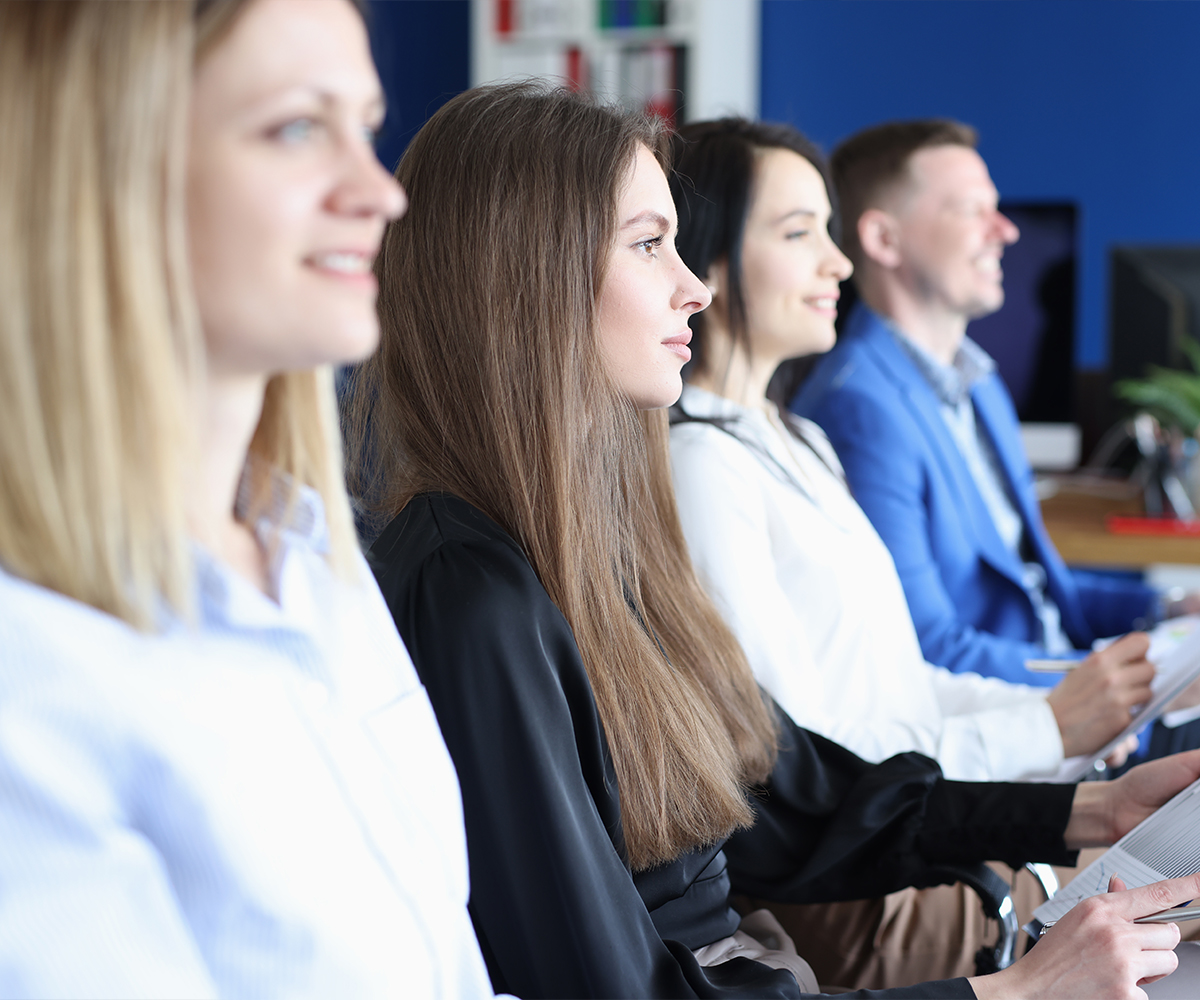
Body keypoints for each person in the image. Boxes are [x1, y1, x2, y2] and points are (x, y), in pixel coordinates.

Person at [346, 82, 1200, 1000]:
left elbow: (792, 795)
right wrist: (1016, 992)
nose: (693, 284)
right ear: (528, 275)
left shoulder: (597, 542)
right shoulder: (476, 597)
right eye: (648, 245)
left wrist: (1090, 809)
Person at [0, 2, 495, 996]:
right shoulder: (35, 674)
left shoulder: (313, 559)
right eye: (297, 129)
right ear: (98, 173)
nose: (380, 192)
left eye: (364, 125)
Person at [663, 116, 1160, 987]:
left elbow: (900, 676)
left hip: (909, 834)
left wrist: (1056, 727)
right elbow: (803, 759)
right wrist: (1043, 727)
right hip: (851, 886)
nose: (838, 262)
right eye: (797, 233)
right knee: (1169, 909)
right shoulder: (701, 465)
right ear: (705, 264)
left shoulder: (794, 440)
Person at [791, 118, 1200, 762]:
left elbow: (1039, 587)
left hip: (1059, 692)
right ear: (882, 238)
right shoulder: (857, 407)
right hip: (1015, 727)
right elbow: (926, 647)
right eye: (972, 210)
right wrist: (1118, 683)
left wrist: (1171, 605)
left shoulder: (977, 381)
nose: (1005, 229)